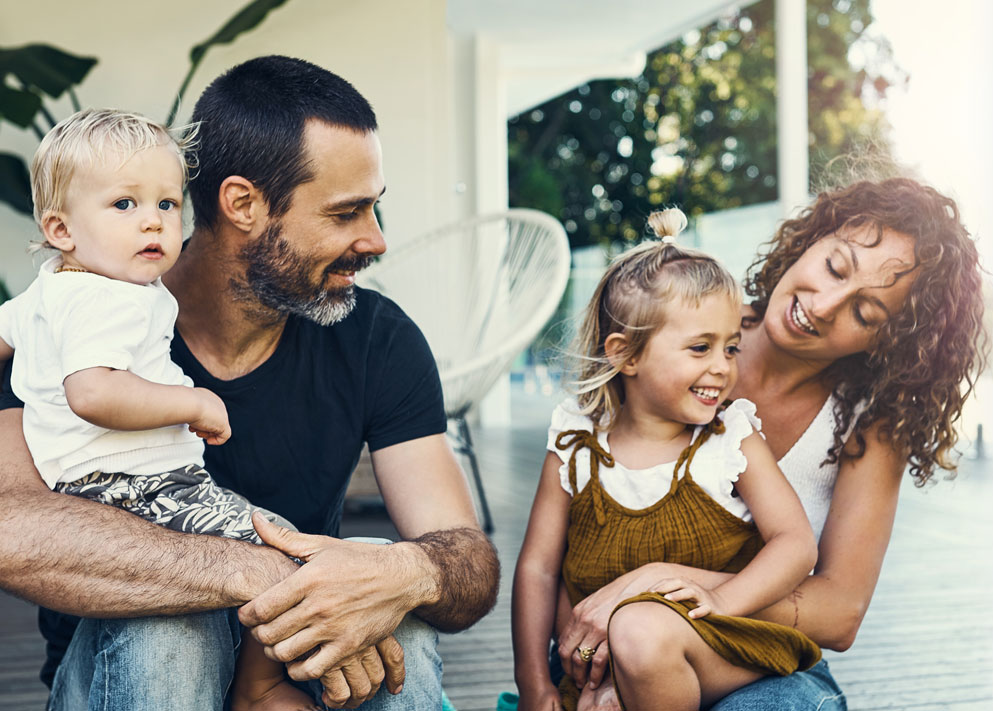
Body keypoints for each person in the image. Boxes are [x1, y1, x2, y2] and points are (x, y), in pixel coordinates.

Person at [0, 55, 499, 711]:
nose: (375, 241)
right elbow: (12, 527)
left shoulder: (376, 336)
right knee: (172, 626)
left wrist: (401, 573)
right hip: (126, 677)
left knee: (389, 595)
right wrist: (253, 570)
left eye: (375, 210)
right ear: (243, 205)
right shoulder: (72, 313)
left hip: (293, 668)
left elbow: (466, 557)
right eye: (346, 212)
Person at [552, 177, 988, 710]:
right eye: (834, 266)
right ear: (813, 238)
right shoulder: (682, 316)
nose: (824, 305)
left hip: (758, 665)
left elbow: (841, 612)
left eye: (865, 313)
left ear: (889, 340)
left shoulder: (868, 426)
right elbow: (561, 533)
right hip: (605, 644)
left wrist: (662, 584)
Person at [0, 106, 326, 711]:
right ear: (62, 229)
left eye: (167, 205)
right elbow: (93, 393)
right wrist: (193, 401)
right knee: (278, 547)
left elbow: (3, 335)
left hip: (85, 493)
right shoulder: (112, 300)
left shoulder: (51, 287)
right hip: (141, 486)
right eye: (124, 205)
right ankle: (262, 688)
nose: (152, 222)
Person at [512, 208, 821, 711]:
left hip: (726, 641)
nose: (722, 368)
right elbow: (538, 569)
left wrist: (723, 601)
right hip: (601, 659)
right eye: (701, 348)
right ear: (625, 355)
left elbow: (796, 545)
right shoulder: (575, 440)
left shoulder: (730, 438)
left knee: (638, 628)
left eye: (731, 348)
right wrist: (534, 684)